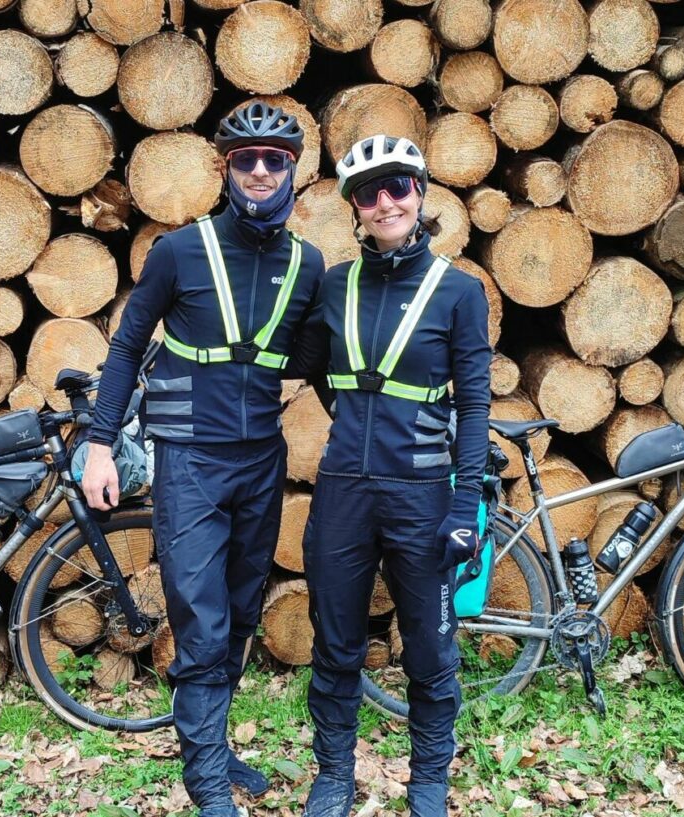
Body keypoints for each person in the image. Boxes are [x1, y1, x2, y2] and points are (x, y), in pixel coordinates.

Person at [82, 102, 325, 817]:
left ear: (291, 170)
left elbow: (315, 356)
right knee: (202, 617)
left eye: (272, 160)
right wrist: (100, 444)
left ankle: (215, 747)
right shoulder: (179, 251)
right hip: (189, 458)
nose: (258, 170)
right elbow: (127, 344)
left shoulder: (307, 265)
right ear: (225, 168)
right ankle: (206, 781)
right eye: (244, 158)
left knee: (243, 611)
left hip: (261, 459)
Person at [293, 135, 492, 817]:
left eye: (398, 186)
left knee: (430, 651)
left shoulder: (461, 292)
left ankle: (429, 778)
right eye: (369, 192)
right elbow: (315, 366)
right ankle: (333, 777)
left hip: (424, 494)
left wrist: (466, 503)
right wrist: (357, 419)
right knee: (336, 644)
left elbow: (475, 404)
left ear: (421, 192)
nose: (386, 202)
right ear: (353, 205)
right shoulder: (333, 283)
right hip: (345, 488)